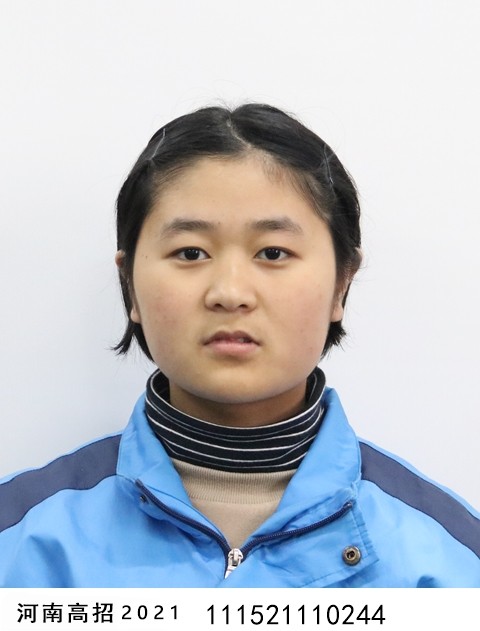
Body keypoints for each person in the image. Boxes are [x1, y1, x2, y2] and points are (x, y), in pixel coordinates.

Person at [0, 103, 479, 588]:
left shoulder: (451, 559)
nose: (229, 293)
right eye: (191, 252)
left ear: (341, 283)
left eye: (273, 252)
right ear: (130, 285)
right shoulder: (18, 538)